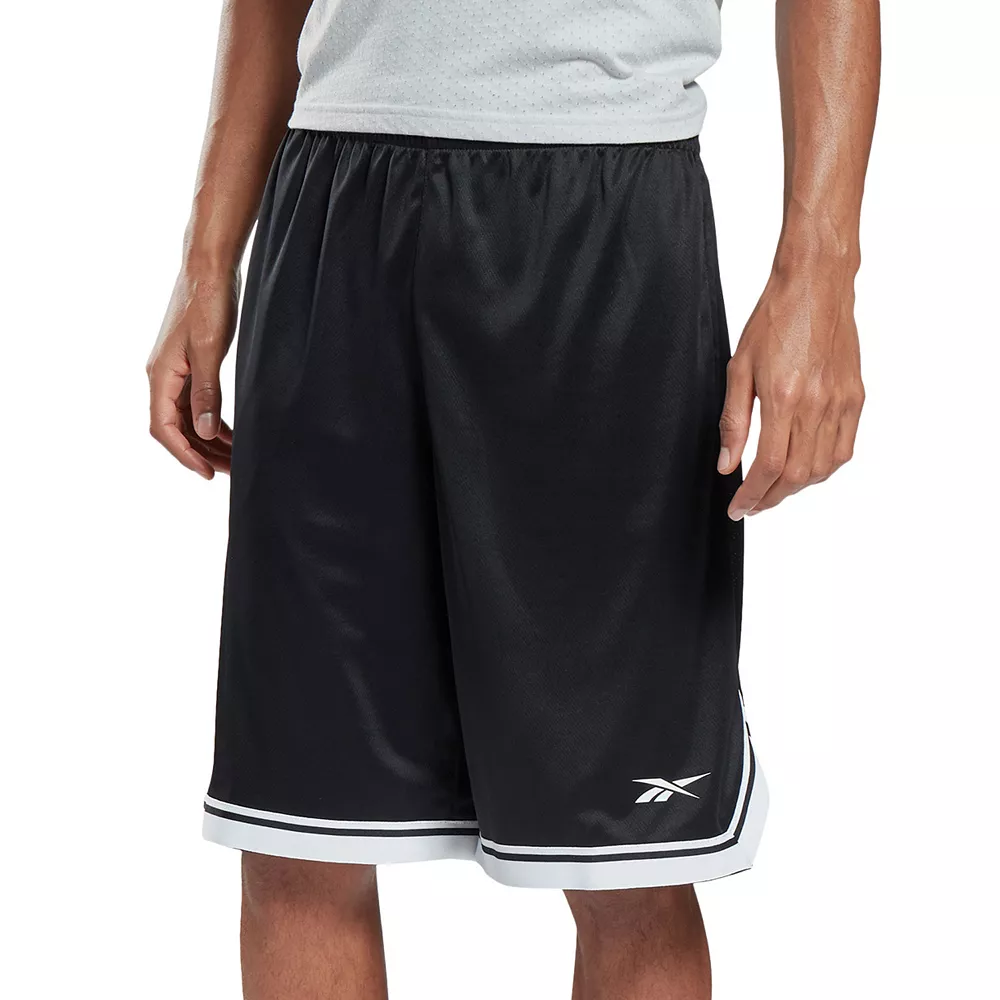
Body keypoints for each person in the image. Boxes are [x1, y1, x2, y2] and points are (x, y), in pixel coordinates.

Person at [146, 1, 879, 996]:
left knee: (629, 861)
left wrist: (821, 278)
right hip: (331, 211)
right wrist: (205, 258)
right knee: (298, 834)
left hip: (599, 206)